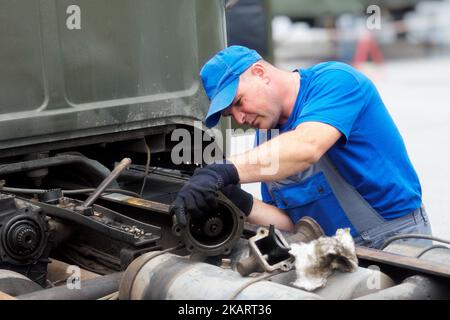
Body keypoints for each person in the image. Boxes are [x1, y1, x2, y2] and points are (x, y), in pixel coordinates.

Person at [171, 45, 432, 249]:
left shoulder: (336, 82)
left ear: (260, 73)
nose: (240, 118)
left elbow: (307, 146)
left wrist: (223, 170)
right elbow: (289, 222)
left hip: (395, 242)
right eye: (231, 114)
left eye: (238, 102)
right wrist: (239, 200)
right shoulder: (267, 136)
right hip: (332, 252)